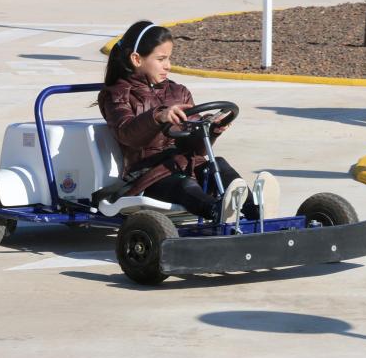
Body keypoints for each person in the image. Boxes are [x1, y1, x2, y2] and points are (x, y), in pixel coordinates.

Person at [96, 20, 279, 223]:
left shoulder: (178, 92)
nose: (168, 65)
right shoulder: (116, 95)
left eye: (169, 58)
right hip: (148, 176)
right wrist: (158, 116)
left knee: (218, 166)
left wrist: (212, 128)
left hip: (185, 164)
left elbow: (197, 148)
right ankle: (219, 212)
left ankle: (256, 210)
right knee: (184, 185)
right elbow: (127, 134)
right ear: (137, 59)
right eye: (161, 59)